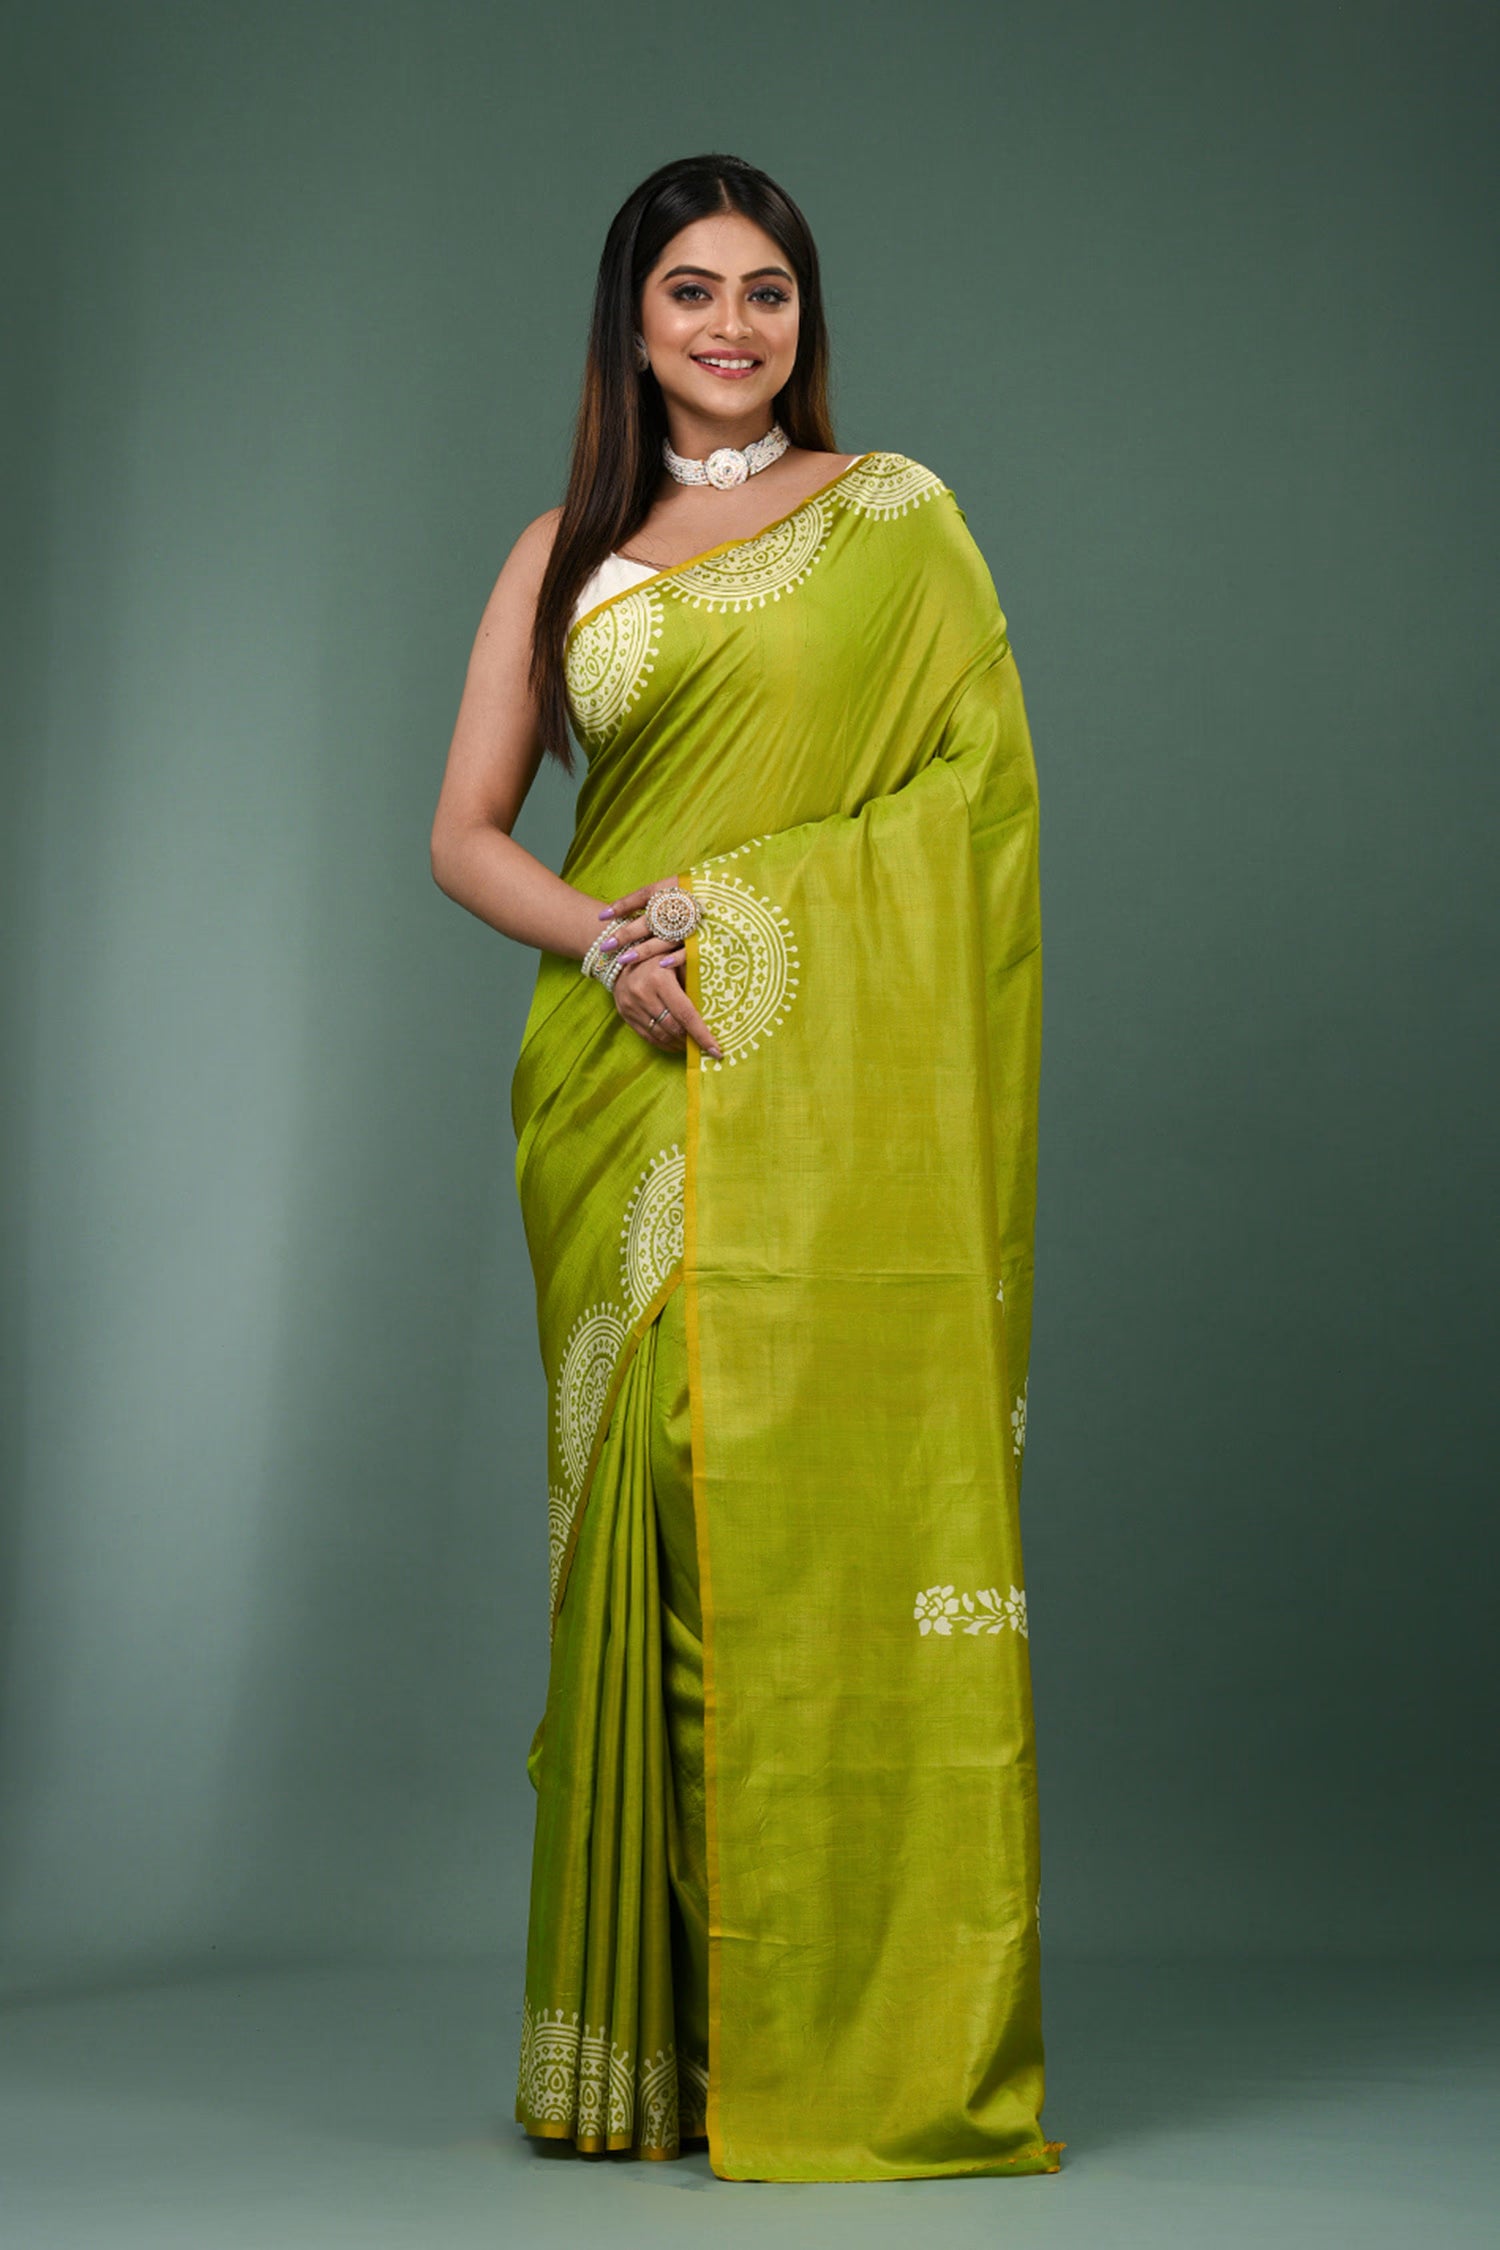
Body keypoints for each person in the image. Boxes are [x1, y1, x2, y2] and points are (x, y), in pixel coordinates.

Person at [429, 151, 1060, 2185]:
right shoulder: (566, 554)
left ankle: (839, 2031)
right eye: (691, 289)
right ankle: (670, 2042)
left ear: (805, 318)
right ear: (632, 323)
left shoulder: (897, 521)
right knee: (669, 1523)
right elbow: (467, 833)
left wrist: (751, 909)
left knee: (803, 1519)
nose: (731, 324)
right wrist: (613, 938)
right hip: (619, 1087)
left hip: (822, 1088)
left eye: (766, 290)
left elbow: (975, 800)